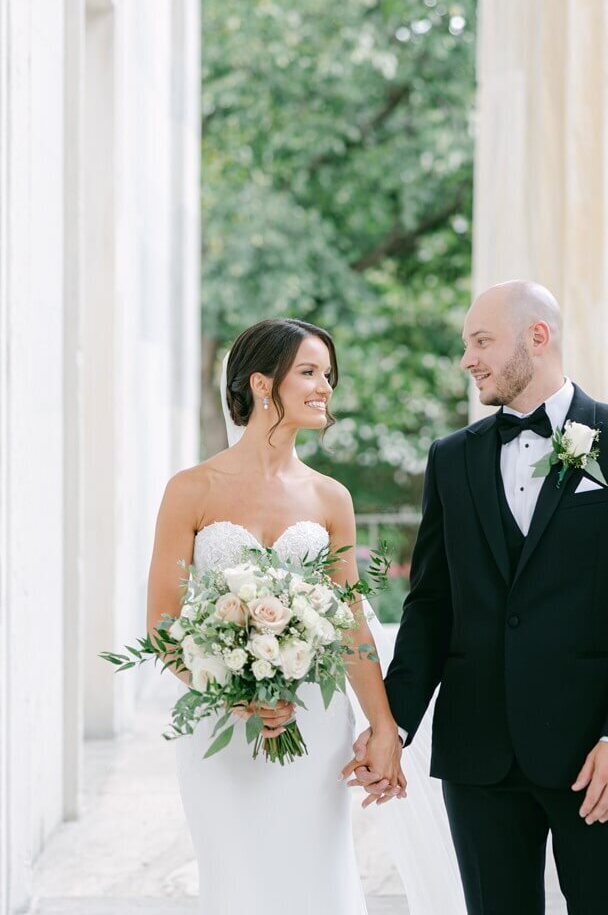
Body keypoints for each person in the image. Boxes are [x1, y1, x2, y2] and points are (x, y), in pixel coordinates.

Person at [348, 280, 608, 914]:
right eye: (465, 344)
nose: (467, 359)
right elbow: (431, 606)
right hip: (479, 755)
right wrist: (391, 724)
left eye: (481, 341)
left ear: (538, 337)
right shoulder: (451, 459)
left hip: (595, 754)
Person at [146, 318, 404, 914]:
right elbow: (163, 625)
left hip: (314, 723)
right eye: (309, 373)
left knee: (314, 879)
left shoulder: (330, 497)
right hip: (221, 723)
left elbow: (350, 625)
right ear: (263, 384)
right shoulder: (191, 489)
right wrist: (231, 689)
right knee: (236, 880)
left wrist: (383, 726)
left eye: (328, 376)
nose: (326, 387)